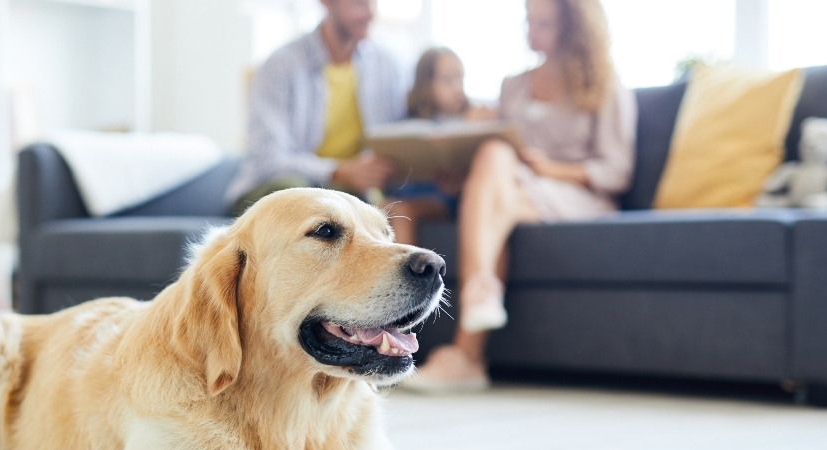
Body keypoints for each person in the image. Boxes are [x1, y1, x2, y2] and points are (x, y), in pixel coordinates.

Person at [403, 0, 636, 393]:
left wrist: (552, 168)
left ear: (575, 27)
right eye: (530, 21)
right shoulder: (514, 85)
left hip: (577, 195)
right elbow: (494, 171)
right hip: (517, 193)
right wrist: (458, 182)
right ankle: (474, 323)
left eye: (543, 23)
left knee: (497, 179)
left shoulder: (604, 84)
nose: (532, 31)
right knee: (494, 156)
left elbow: (617, 171)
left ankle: (469, 348)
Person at [225, 0, 407, 215]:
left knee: (367, 207)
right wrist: (338, 171)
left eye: (373, 3)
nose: (369, 13)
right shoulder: (282, 65)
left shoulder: (388, 65)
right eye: (359, 3)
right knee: (299, 194)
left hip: (346, 195)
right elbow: (268, 158)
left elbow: (402, 142)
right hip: (274, 190)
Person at [390, 46, 496, 244]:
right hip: (415, 190)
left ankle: (408, 276)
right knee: (383, 207)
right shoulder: (411, 125)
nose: (457, 87)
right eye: (447, 80)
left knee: (400, 211)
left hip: (450, 199)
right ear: (426, 84)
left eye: (460, 78)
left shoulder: (476, 117)